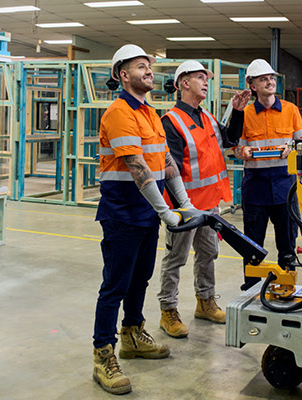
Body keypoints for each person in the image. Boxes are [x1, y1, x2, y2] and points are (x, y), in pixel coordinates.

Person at [90, 44, 197, 395]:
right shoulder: (119, 113)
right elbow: (137, 167)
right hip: (122, 214)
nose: (149, 71)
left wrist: (183, 203)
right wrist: (165, 210)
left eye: (149, 66)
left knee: (140, 281)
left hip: (147, 214)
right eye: (141, 66)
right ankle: (103, 354)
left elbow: (165, 161)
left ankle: (133, 335)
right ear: (123, 75)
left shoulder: (151, 113)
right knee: (115, 287)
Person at [154, 60, 251, 338]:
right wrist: (180, 209)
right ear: (184, 83)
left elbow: (230, 139)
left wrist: (237, 111)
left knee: (208, 254)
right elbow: (170, 168)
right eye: (200, 77)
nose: (206, 81)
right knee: (176, 258)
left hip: (210, 204)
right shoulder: (171, 121)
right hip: (184, 208)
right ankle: (168, 310)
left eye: (205, 78)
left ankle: (205, 302)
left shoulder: (206, 116)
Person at [222, 59, 302, 289]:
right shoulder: (245, 114)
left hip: (285, 188)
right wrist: (242, 151)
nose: (270, 82)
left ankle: (286, 286)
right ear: (253, 86)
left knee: (287, 243)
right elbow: (234, 147)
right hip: (255, 189)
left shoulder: (290, 110)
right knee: (252, 245)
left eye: (271, 78)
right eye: (263, 79)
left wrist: (292, 148)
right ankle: (251, 288)